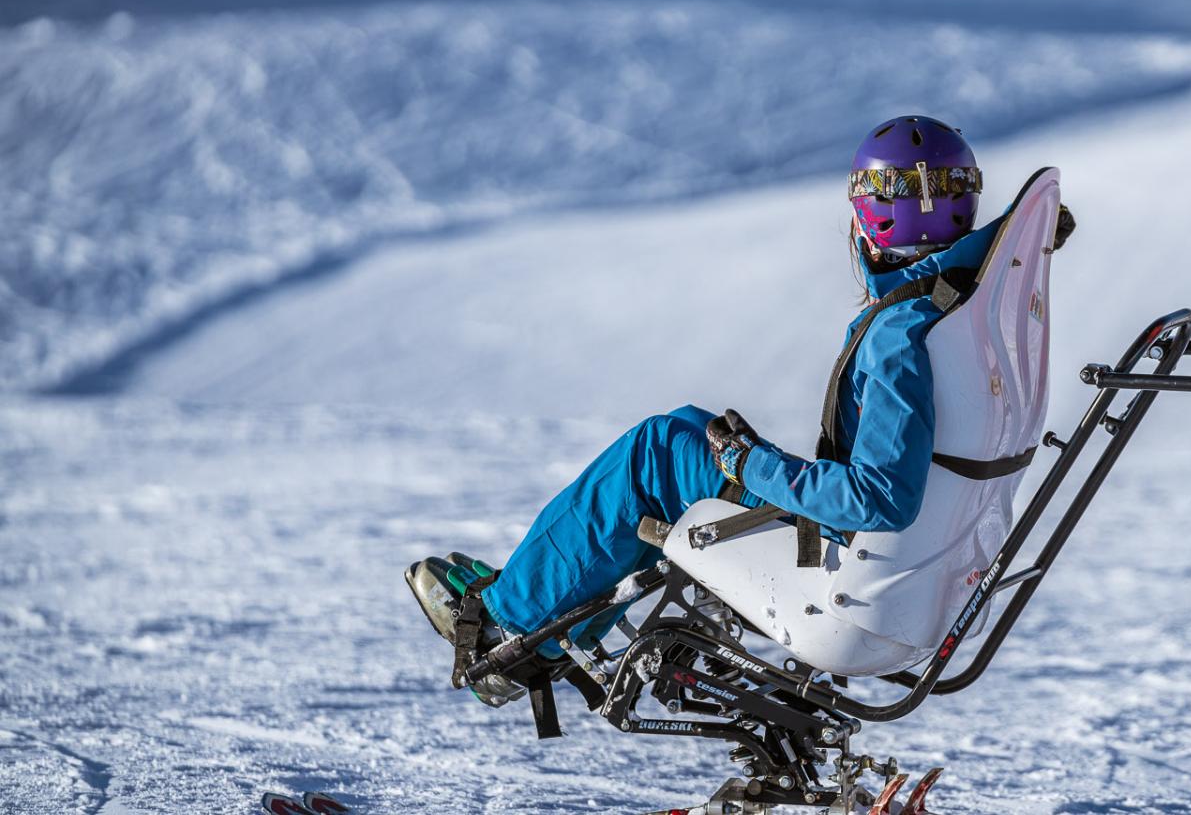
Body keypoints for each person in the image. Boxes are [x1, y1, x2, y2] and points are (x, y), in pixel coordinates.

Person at [407, 115, 1068, 705]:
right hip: (917, 584)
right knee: (691, 429)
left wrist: (751, 465)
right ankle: (547, 612)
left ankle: (510, 627)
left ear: (869, 215)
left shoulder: (902, 333)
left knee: (657, 452)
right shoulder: (964, 306)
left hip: (845, 583)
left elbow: (880, 498)